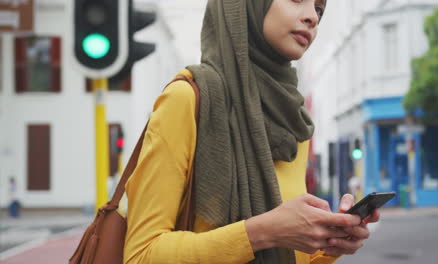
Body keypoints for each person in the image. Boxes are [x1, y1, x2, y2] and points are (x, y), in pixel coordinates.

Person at [124, 0, 380, 263]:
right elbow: (141, 255)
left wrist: (329, 245)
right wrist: (263, 232)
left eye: (319, 10)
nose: (312, 18)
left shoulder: (293, 118)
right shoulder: (186, 100)